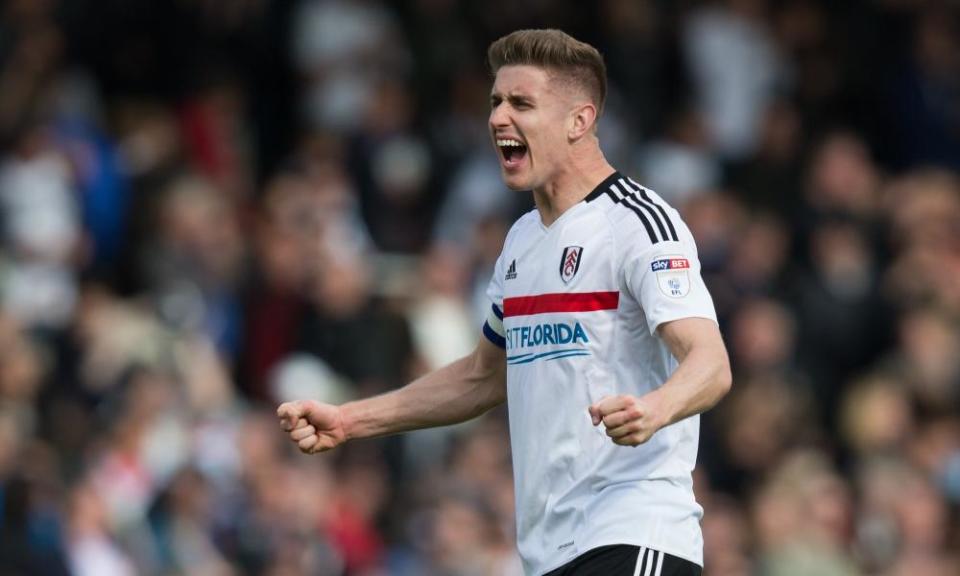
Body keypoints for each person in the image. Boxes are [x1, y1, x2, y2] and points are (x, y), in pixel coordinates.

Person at [277, 29, 731, 576]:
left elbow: (710, 363)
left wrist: (656, 408)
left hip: (634, 530)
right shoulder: (521, 242)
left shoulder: (637, 222)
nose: (497, 118)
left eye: (521, 103)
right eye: (495, 102)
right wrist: (351, 420)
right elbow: (482, 377)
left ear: (579, 121)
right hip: (548, 553)